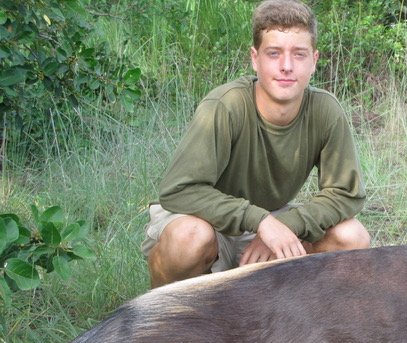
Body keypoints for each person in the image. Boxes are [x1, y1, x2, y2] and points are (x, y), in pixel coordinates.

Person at [142, 0, 370, 288]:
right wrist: (259, 220)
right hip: (207, 221)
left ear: (314, 60)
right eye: (274, 53)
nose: (286, 66)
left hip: (271, 222)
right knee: (189, 237)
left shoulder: (326, 111)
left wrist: (285, 224)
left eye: (298, 55)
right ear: (255, 58)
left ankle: (301, 321)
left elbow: (346, 194)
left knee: (352, 237)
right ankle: (166, 323)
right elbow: (178, 191)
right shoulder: (225, 106)